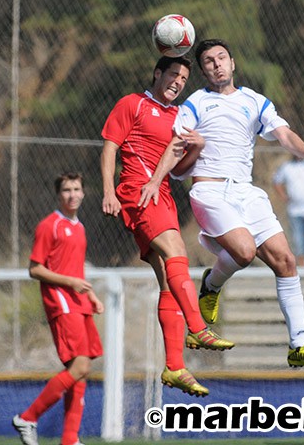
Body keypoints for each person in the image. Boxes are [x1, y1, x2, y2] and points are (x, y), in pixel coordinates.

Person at [172, 38, 304, 368]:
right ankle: (211, 286)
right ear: (203, 71)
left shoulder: (254, 101)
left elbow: (284, 134)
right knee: (244, 252)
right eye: (209, 62)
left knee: (286, 261)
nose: (216, 64)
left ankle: (298, 345)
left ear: (233, 63)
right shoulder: (195, 104)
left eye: (221, 58)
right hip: (210, 190)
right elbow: (178, 154)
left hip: (246, 191)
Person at [100, 55, 234, 398]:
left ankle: (174, 365)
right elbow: (110, 147)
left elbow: (179, 169)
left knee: (166, 277)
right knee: (177, 253)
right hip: (138, 190)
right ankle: (199, 328)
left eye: (184, 78)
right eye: (173, 74)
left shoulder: (180, 116)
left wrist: (198, 146)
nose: (178, 81)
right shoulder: (133, 103)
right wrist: (108, 192)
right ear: (157, 72)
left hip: (161, 194)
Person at [12, 172, 104, 445]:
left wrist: (92, 295)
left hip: (79, 302)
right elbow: (35, 269)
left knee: (81, 370)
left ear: (84, 193)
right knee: (80, 366)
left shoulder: (80, 227)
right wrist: (71, 283)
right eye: (66, 190)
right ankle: (28, 417)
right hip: (61, 303)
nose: (72, 194)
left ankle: (69, 439)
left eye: (76, 189)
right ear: (58, 194)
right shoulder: (49, 226)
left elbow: (75, 267)